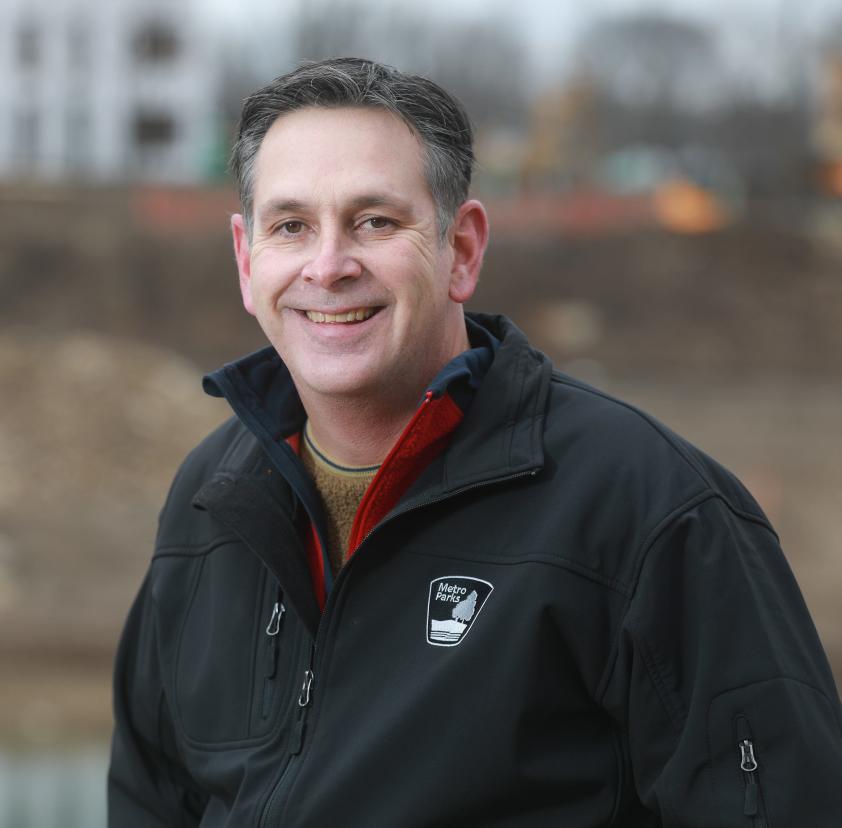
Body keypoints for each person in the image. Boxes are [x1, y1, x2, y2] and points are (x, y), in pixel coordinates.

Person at [107, 57, 842, 826]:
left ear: (462, 250)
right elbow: (150, 800)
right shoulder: (211, 499)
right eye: (291, 226)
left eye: (375, 222)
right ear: (245, 257)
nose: (328, 267)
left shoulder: (650, 510)